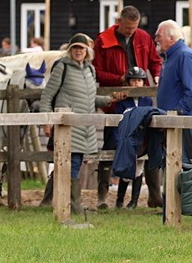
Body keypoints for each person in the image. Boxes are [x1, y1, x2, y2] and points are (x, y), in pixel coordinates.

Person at [39, 33, 126, 215]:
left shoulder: (90, 70)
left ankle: (51, 202)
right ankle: (74, 205)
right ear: (70, 50)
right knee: (73, 163)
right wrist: (46, 121)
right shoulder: (62, 67)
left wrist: (108, 100)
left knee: (69, 163)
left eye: (82, 48)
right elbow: (47, 95)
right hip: (67, 124)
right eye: (75, 48)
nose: (78, 51)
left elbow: (89, 98)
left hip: (85, 126)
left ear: (87, 51)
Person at [92, 6, 161, 209]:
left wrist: (156, 76)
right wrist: (118, 81)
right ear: (119, 21)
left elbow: (155, 61)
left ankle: (154, 196)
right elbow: (96, 71)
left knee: (147, 147)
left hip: (141, 99)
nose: (131, 31)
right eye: (128, 27)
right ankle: (103, 195)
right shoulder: (104, 40)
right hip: (115, 102)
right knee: (110, 147)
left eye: (135, 27)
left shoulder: (144, 38)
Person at [155, 19, 192, 164]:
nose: (156, 39)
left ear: (171, 38)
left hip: (183, 122)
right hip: (173, 121)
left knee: (182, 166)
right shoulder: (171, 57)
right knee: (171, 165)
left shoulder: (184, 56)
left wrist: (176, 113)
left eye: (159, 35)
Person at [114, 66, 152, 209]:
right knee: (125, 169)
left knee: (138, 169)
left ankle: (134, 201)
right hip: (126, 138)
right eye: (133, 80)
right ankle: (119, 200)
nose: (136, 83)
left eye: (139, 81)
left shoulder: (147, 100)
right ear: (128, 82)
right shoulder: (123, 101)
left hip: (141, 139)